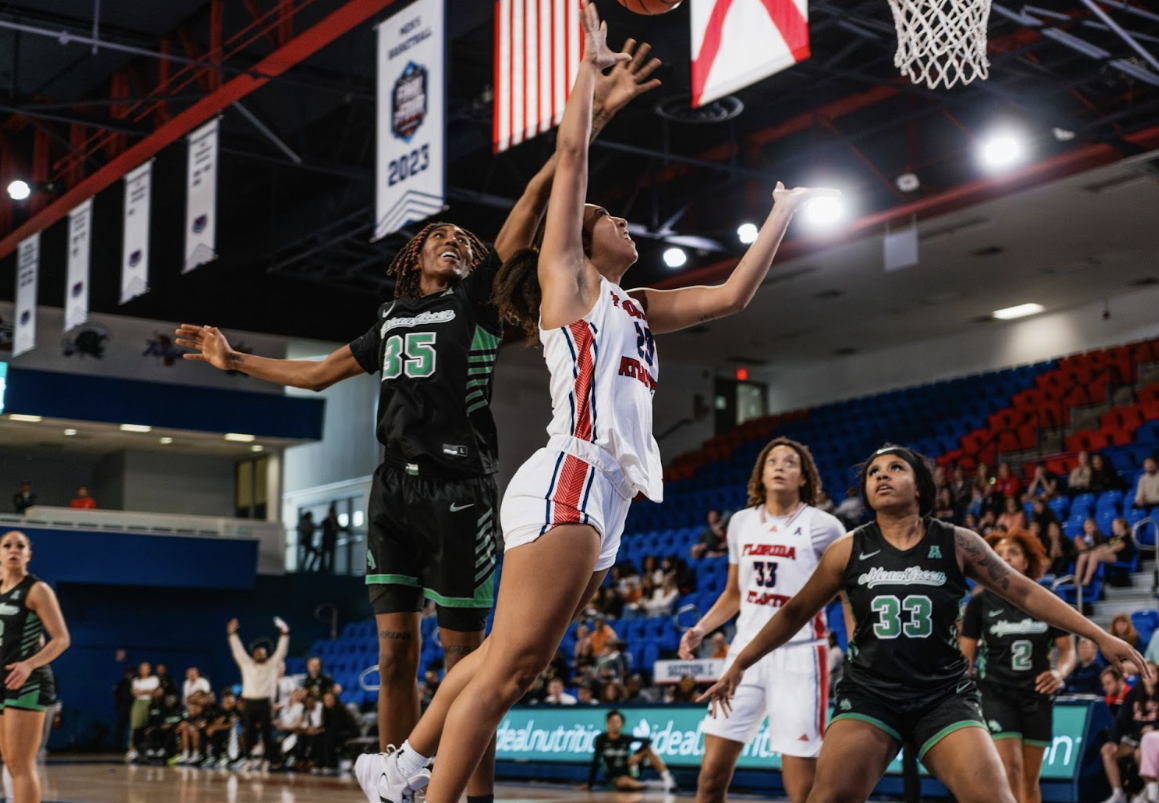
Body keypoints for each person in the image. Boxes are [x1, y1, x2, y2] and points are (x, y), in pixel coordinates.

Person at [354, 7, 836, 803]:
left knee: (513, 657)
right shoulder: (570, 282)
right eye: (611, 217)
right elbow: (572, 154)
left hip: (607, 492)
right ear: (580, 237)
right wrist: (585, 68)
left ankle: (401, 765)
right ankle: (418, 787)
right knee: (509, 666)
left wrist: (781, 211)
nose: (623, 221)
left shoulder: (637, 303)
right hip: (568, 475)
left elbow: (730, 295)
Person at [178, 32, 660, 803]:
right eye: (436, 236)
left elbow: (539, 193)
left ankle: (474, 792)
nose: (450, 241)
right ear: (412, 258)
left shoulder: (476, 302)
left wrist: (591, 115)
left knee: (475, 654)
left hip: (459, 486)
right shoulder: (390, 318)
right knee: (394, 650)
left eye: (461, 240)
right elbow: (318, 372)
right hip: (389, 491)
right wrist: (236, 361)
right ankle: (393, 781)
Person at [699, 445, 1147, 803]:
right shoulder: (847, 549)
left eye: (895, 468)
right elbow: (795, 612)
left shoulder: (957, 543)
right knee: (828, 796)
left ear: (920, 487)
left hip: (942, 696)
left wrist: (1098, 634)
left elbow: (1025, 591)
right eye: (874, 472)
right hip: (870, 696)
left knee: (995, 798)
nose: (881, 476)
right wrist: (740, 662)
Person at [678, 437, 845, 803]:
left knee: (800, 788)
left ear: (804, 478)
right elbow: (734, 594)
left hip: (800, 655)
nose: (780, 467)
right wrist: (701, 629)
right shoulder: (740, 522)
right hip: (743, 656)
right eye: (772, 461)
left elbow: (846, 588)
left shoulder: (825, 526)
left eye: (790, 462)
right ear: (761, 474)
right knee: (710, 777)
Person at [959, 530, 1076, 803]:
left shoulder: (1048, 598)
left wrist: (1060, 673)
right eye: (998, 554)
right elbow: (967, 658)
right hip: (996, 692)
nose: (1005, 558)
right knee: (1009, 770)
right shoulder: (979, 603)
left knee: (1029, 779)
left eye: (1013, 552)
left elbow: (1068, 651)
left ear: (1026, 562)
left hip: (1037, 693)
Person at [0, 531, 70, 803]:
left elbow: (62, 639)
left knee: (21, 765)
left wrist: (29, 664)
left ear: (29, 554)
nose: (13, 550)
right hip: (4, 680)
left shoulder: (37, 590)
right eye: (7, 545)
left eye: (20, 546)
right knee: (10, 761)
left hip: (27, 681)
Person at [227, 616, 289, 769]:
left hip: (265, 702)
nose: (261, 655)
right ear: (253, 654)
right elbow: (237, 650)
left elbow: (281, 650)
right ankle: (248, 758)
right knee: (249, 730)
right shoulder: (246, 664)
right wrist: (232, 634)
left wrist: (284, 634)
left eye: (264, 653)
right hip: (249, 701)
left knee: (267, 731)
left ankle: (267, 759)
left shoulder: (272, 665)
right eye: (258, 653)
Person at [1099, 663, 1159, 803]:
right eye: (1145, 672)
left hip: (1152, 740)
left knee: (1140, 753)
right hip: (1134, 737)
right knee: (1108, 750)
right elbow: (1121, 720)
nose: (1148, 676)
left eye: (1152, 672)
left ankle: (1149, 790)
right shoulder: (1134, 693)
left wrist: (1155, 727)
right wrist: (1114, 741)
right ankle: (1117, 793)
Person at [585, 710, 675, 791]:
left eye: (617, 722)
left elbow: (647, 740)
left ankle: (668, 779)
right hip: (614, 776)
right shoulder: (601, 739)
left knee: (647, 749)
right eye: (611, 722)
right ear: (607, 724)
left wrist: (637, 755)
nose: (614, 725)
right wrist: (590, 784)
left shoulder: (625, 738)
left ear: (622, 724)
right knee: (625, 782)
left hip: (629, 770)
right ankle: (651, 785)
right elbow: (595, 761)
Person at [1077, 517, 1135, 586]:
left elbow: (1118, 547)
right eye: (1113, 525)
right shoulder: (1113, 537)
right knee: (1083, 556)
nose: (1112, 527)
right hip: (1110, 554)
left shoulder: (1126, 536)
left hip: (1120, 556)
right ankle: (1076, 580)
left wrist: (1103, 551)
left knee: (1095, 555)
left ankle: (1086, 581)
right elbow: (1105, 546)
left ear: (1121, 526)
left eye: (1114, 525)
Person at [126, 663, 157, 761]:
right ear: (140, 670)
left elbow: (154, 692)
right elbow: (135, 693)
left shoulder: (154, 679)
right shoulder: (136, 680)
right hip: (138, 703)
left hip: (150, 702)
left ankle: (151, 749)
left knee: (150, 726)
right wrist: (147, 691)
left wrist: (142, 691)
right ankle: (132, 750)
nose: (145, 670)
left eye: (147, 668)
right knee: (135, 726)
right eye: (143, 668)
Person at [320, 505, 341, 574]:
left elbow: (338, 528)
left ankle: (330, 569)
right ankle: (322, 568)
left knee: (331, 555)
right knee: (324, 554)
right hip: (326, 539)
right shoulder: (327, 520)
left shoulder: (334, 520)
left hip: (332, 540)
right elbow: (322, 525)